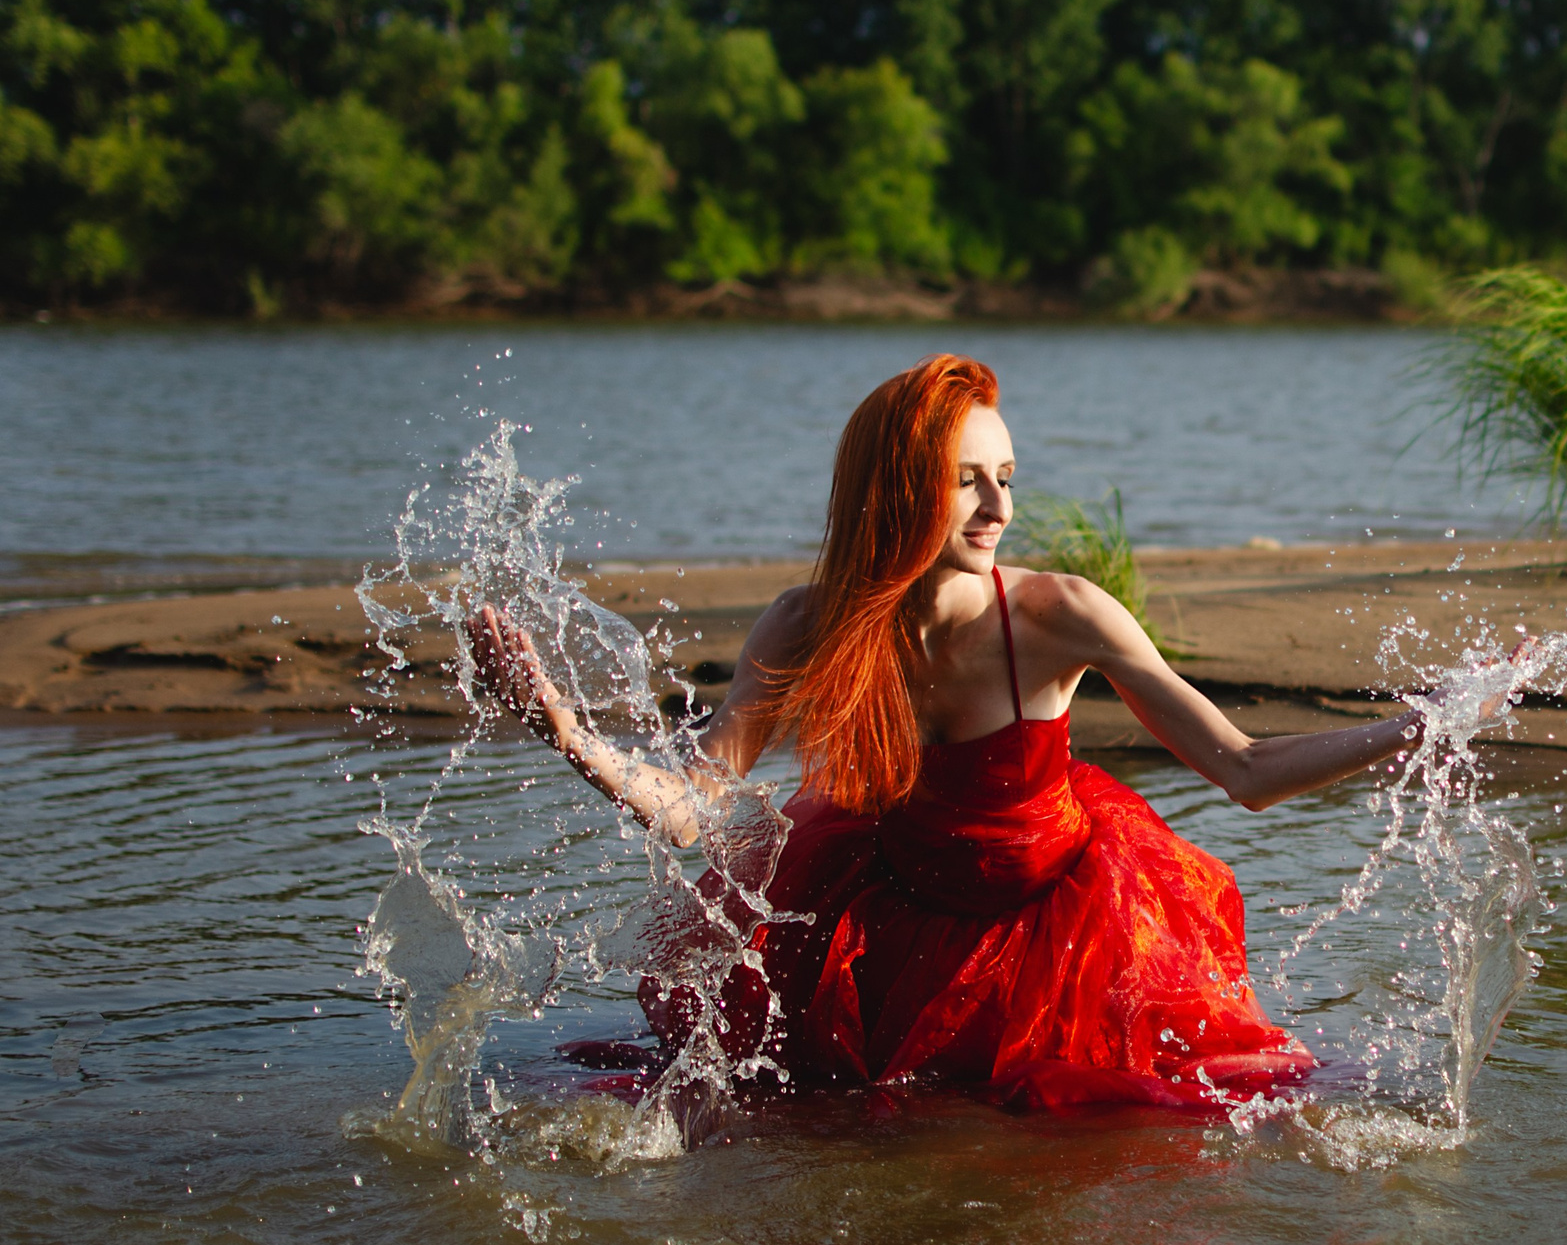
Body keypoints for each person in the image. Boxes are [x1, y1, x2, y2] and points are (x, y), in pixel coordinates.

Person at [467, 353, 1482, 1110]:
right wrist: (563, 730)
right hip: (886, 913)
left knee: (1143, 1117)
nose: (999, 505)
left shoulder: (1060, 615)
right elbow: (690, 808)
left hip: (1059, 921)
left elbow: (1247, 769)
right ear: (897, 487)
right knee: (833, 1118)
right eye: (968, 480)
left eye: (1007, 475)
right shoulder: (806, 622)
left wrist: (1417, 727)